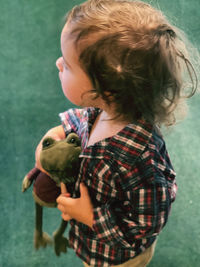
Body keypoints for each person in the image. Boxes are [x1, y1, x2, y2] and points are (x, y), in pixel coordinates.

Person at [35, 0, 198, 266]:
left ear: (105, 90)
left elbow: (145, 226)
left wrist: (90, 216)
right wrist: (54, 136)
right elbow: (77, 126)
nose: (57, 63)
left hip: (116, 257)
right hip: (90, 242)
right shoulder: (101, 110)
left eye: (67, 63)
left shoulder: (139, 160)